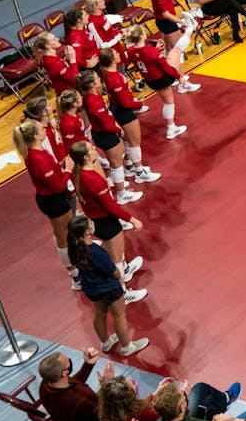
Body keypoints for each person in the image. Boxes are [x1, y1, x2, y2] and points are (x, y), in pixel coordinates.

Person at [69, 139, 146, 292]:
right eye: (91, 149)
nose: (94, 149)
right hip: (106, 222)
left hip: (95, 220)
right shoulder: (94, 180)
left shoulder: (78, 175)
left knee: (114, 253)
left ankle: (125, 271)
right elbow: (110, 206)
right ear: (85, 157)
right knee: (116, 257)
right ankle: (123, 292)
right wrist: (132, 219)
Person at [66, 215, 149, 355]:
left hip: (91, 288)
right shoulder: (95, 251)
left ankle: (105, 342)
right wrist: (120, 279)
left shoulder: (74, 247)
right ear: (86, 232)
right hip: (108, 287)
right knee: (119, 315)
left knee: (99, 313)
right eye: (90, 223)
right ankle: (127, 347)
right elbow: (111, 270)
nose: (93, 223)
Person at [11, 117, 78, 288]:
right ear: (35, 136)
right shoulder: (37, 157)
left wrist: (61, 168)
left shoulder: (37, 152)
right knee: (64, 237)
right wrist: (68, 170)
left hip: (52, 197)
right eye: (41, 129)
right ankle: (75, 276)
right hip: (53, 200)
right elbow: (56, 186)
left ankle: (77, 266)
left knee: (65, 233)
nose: (44, 130)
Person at [120, 25, 190, 141]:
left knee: (167, 102)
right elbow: (166, 68)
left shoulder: (131, 51)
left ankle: (171, 127)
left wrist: (156, 50)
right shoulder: (151, 51)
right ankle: (171, 128)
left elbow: (142, 57)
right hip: (162, 78)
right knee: (176, 51)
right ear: (142, 36)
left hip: (150, 80)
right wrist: (179, 78)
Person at [98, 49, 155, 183]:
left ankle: (129, 166)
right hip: (124, 111)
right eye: (116, 53)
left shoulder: (106, 74)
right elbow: (125, 101)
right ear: (112, 60)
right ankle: (140, 173)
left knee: (127, 141)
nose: (119, 54)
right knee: (135, 142)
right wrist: (138, 103)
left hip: (116, 109)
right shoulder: (115, 78)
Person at [37, 348, 106, 421]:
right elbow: (105, 415)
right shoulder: (78, 403)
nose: (70, 361)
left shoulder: (46, 384)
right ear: (64, 373)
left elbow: (72, 382)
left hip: (78, 420)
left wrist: (88, 365)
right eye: (67, 361)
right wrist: (106, 388)